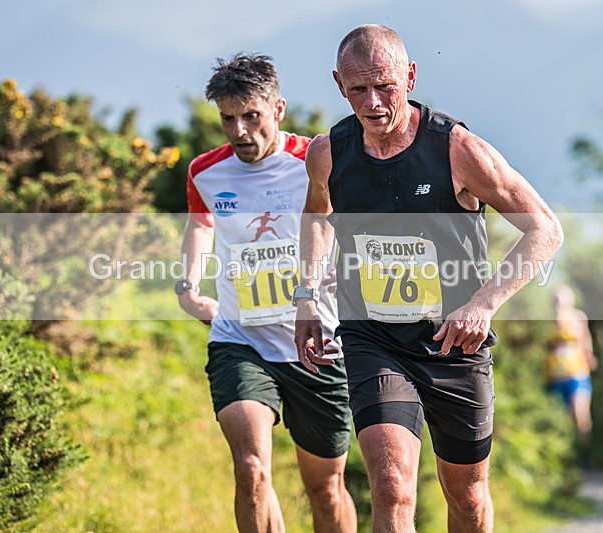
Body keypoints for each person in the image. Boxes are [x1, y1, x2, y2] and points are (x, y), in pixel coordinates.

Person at [294, 25, 563, 532]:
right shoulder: (327, 152)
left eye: (386, 86)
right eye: (358, 89)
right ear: (338, 84)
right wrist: (308, 296)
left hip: (452, 343)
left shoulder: (457, 150)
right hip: (373, 337)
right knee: (393, 488)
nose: (373, 102)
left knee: (468, 498)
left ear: (410, 76)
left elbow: (545, 229)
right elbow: (316, 216)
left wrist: (485, 303)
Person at [177, 53, 356, 532]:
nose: (238, 131)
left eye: (250, 116)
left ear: (277, 109)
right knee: (252, 468)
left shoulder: (316, 160)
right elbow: (200, 225)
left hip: (319, 342)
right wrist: (187, 288)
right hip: (241, 339)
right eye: (228, 119)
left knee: (325, 488)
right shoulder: (205, 171)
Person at [545, 285, 597, 464]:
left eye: (563, 300)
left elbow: (586, 341)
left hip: (577, 373)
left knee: (580, 415)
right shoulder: (547, 321)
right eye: (556, 300)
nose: (559, 304)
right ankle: (566, 459)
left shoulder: (578, 318)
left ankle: (585, 455)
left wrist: (590, 356)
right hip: (554, 376)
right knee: (562, 420)